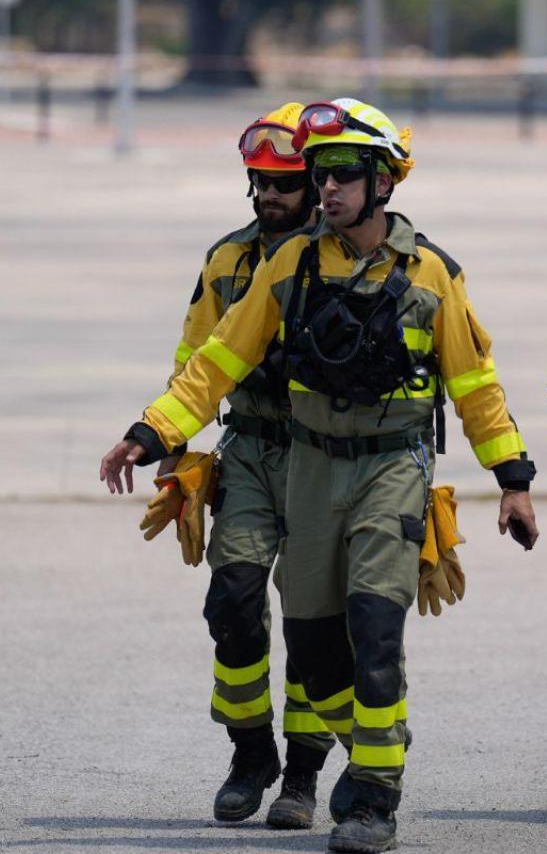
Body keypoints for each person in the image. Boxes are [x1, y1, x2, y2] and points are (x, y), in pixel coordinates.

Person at [101, 98, 540, 853]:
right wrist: (151, 434)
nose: (325, 188)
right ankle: (352, 749)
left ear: (383, 183)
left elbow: (476, 386)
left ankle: (373, 796)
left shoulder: (432, 272)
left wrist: (513, 477)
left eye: (342, 175)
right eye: (320, 175)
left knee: (374, 625)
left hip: (392, 466)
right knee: (310, 643)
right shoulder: (289, 264)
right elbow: (217, 361)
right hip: (307, 468)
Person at [146, 103, 338, 829]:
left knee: (314, 619)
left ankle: (303, 775)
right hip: (250, 450)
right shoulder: (227, 259)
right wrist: (172, 451)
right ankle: (251, 751)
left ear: (315, 184)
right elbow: (193, 357)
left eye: (283, 183)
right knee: (232, 602)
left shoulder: (343, 258)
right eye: (259, 181)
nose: (268, 194)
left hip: (324, 454)